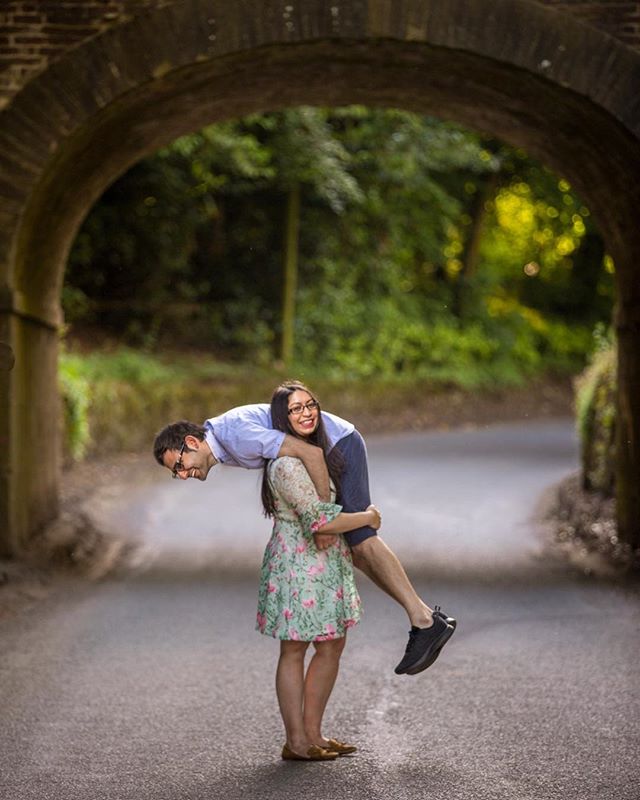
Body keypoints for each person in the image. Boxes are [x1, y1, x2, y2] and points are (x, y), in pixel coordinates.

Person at [153, 382, 456, 675]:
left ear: (191, 443)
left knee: (361, 540)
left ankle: (425, 622)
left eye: (179, 465)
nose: (182, 475)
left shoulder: (235, 435)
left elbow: (310, 454)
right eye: (175, 473)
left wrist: (323, 520)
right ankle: (425, 618)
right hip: (328, 449)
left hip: (339, 444)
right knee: (356, 548)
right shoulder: (223, 441)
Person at [257, 383, 381, 760]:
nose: (306, 413)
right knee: (294, 648)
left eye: (310, 405)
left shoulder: (318, 455)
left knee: (331, 645)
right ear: (283, 419)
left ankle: (314, 735)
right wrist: (368, 517)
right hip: (297, 567)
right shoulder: (286, 464)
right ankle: (295, 742)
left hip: (325, 566)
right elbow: (318, 521)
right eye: (295, 409)